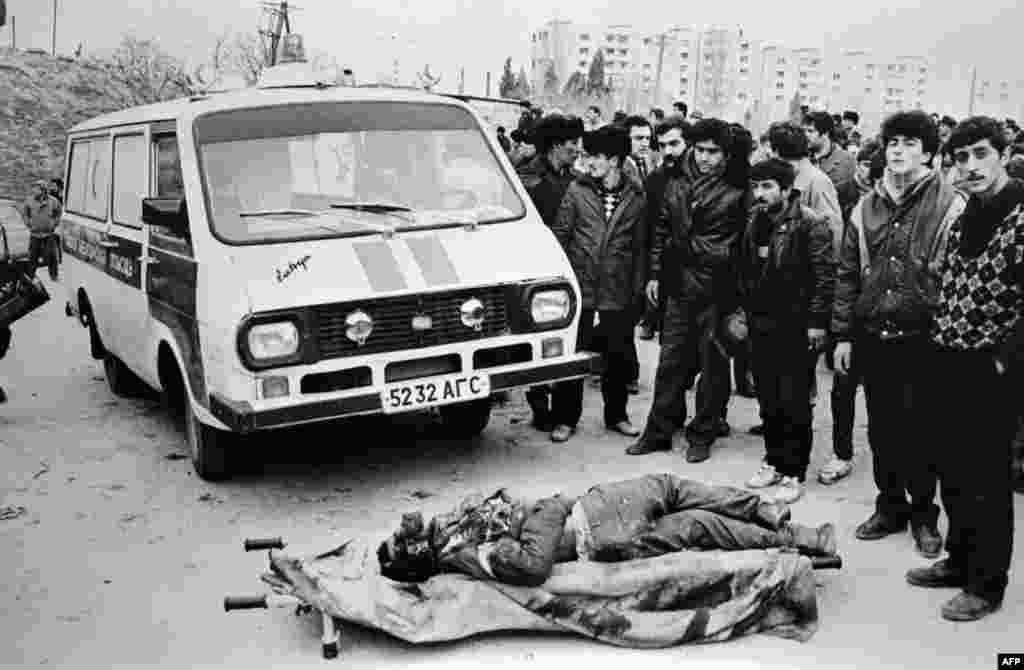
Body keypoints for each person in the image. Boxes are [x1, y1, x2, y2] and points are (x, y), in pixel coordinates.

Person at [832, 110, 966, 559]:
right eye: (892, 143)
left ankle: (924, 516)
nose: (898, 151)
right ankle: (889, 506)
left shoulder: (950, 205)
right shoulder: (864, 207)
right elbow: (847, 274)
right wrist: (844, 335)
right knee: (883, 430)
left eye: (910, 143)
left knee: (923, 432)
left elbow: (957, 277)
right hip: (874, 334)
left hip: (925, 338)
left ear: (928, 152)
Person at [908, 116, 1023, 621]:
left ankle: (986, 583)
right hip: (948, 357)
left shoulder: (1021, 215)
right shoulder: (966, 215)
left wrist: (1004, 361)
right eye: (961, 158)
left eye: (981, 154)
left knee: (987, 480)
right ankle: (959, 561)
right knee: (952, 470)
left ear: (1002, 153)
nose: (971, 167)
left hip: (992, 369)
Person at [377, 473, 837, 586]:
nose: (407, 524)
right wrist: (549, 507)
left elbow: (511, 520)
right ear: (417, 552)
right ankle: (770, 515)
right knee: (672, 487)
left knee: (702, 525)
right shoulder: (468, 552)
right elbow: (534, 563)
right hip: (597, 523)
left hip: (609, 534)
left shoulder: (451, 533)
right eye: (403, 537)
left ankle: (802, 543)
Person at [627, 118, 747, 463]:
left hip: (717, 292)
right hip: (678, 287)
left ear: (725, 154)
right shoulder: (677, 182)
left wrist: (687, 248)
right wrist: (654, 274)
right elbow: (662, 230)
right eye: (701, 150)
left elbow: (733, 248)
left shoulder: (738, 190)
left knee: (712, 368)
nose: (706, 158)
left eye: (714, 152)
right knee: (670, 362)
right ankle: (658, 430)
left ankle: (702, 433)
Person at [739, 158, 834, 504]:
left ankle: (795, 470)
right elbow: (745, 271)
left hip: (795, 326)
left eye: (767, 187)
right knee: (768, 398)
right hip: (761, 323)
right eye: (756, 186)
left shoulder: (811, 224)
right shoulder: (754, 222)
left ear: (785, 190)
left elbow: (824, 279)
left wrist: (816, 323)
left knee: (794, 400)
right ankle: (773, 460)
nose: (760, 194)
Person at [548, 125, 648, 442]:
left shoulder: (636, 196)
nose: (588, 162)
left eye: (596, 156)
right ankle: (565, 418)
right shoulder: (577, 191)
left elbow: (640, 248)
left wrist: (637, 292)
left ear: (615, 160)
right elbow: (561, 238)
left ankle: (616, 416)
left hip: (617, 293)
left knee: (617, 359)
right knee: (573, 358)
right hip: (581, 290)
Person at [517, 115, 584, 433]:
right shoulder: (526, 179)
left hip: (569, 268)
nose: (577, 149)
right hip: (535, 270)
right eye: (573, 143)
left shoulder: (577, 178)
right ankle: (540, 405)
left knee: (566, 343)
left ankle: (562, 411)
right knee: (538, 342)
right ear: (557, 145)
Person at [638, 115, 689, 343]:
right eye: (662, 146)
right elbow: (649, 231)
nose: (667, 151)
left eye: (674, 144)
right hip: (665, 270)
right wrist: (653, 275)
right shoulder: (655, 180)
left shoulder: (704, 178)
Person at [803, 111, 857, 220]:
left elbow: (839, 196)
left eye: (810, 131)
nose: (805, 135)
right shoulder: (803, 158)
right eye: (804, 131)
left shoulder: (845, 160)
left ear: (826, 133)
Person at [23, 180, 61, 280]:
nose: (34, 190)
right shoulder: (29, 200)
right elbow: (25, 213)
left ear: (43, 190)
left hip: (48, 234)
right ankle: (30, 276)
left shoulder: (53, 201)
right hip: (35, 234)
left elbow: (58, 213)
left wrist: (54, 223)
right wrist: (28, 223)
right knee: (32, 256)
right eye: (34, 188)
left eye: (36, 188)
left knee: (52, 256)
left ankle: (54, 276)